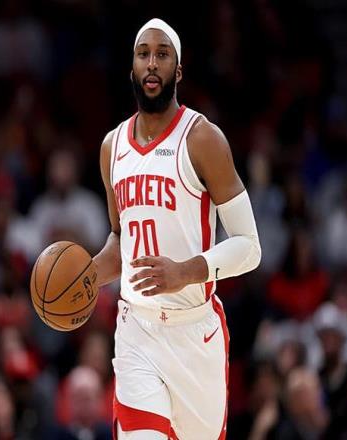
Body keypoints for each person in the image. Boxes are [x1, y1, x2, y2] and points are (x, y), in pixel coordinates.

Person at [93, 18, 261, 439]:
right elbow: (121, 240)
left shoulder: (202, 138)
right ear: (132, 68)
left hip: (194, 333)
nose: (152, 63)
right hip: (137, 331)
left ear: (178, 71)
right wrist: (88, 276)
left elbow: (249, 246)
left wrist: (184, 272)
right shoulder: (112, 147)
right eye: (143, 54)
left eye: (162, 54)